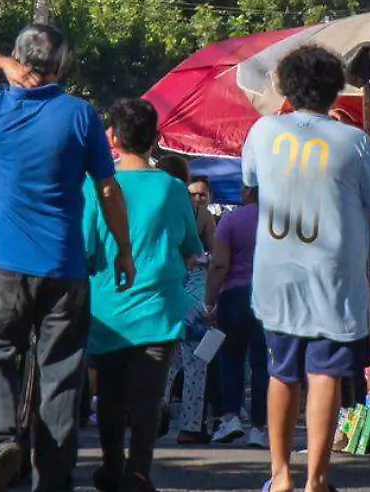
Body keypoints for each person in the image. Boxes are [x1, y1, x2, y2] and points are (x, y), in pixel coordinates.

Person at [0, 24, 134, 492]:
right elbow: (107, 189)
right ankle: (53, 478)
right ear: (61, 67)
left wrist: (1, 64)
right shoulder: (81, 116)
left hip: (1, 267)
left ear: (21, 59)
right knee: (60, 373)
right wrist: (123, 249)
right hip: (63, 268)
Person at [242, 45, 370, 492]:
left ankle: (279, 475)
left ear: (286, 87)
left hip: (276, 274)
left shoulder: (262, 133)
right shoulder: (354, 142)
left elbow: (252, 189)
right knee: (325, 374)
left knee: (282, 371)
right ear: (336, 90)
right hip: (333, 275)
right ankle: (316, 478)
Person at [82, 100, 204, 492]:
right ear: (156, 139)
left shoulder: (93, 186)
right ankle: (139, 471)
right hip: (158, 309)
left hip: (108, 309)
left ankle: (113, 466)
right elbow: (190, 246)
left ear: (112, 138)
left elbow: (85, 248)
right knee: (149, 396)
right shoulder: (172, 188)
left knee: (112, 396)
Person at [154, 154, 215, 442]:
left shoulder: (149, 206)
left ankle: (156, 414)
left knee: (165, 361)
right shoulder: (197, 213)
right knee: (196, 363)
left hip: (160, 293)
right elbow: (211, 253)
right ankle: (190, 425)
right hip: (193, 296)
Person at [209, 187, 269, 448]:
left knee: (231, 357)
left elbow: (219, 263)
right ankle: (259, 427)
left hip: (233, 294)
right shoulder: (279, 220)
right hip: (270, 294)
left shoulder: (231, 220)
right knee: (262, 363)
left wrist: (209, 299)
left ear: (247, 191)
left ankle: (231, 417)